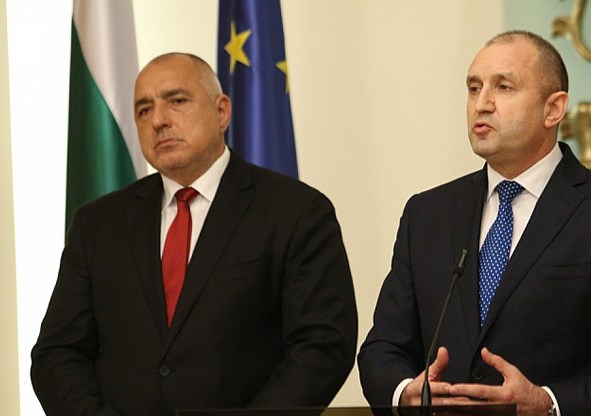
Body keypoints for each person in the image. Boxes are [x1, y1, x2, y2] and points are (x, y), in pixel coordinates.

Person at [357, 31, 591, 416]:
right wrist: (405, 393)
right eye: (474, 88)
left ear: (554, 109)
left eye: (503, 87)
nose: (481, 104)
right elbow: (383, 348)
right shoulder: (428, 214)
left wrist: (550, 403)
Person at [31, 53, 358, 416]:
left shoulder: (295, 211)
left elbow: (322, 345)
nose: (158, 120)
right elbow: (57, 353)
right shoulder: (97, 224)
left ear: (222, 112)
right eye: (143, 110)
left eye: (177, 100)